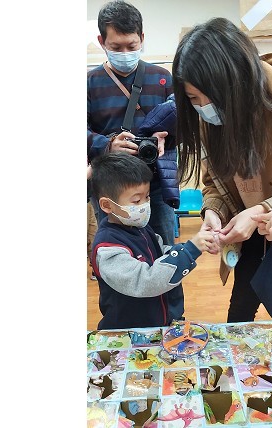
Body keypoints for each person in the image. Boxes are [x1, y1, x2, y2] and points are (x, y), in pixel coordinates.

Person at [172, 17, 272, 322]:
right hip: (250, 236)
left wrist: (261, 210)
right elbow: (214, 182)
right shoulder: (209, 121)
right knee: (239, 313)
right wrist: (214, 212)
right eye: (193, 98)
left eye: (213, 96)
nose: (205, 107)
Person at [87, 0, 185, 320]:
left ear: (142, 38)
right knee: (118, 254)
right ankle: (121, 317)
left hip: (154, 187)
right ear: (101, 41)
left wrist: (165, 138)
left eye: (132, 45)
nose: (125, 52)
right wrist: (108, 144)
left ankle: (172, 315)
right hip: (112, 191)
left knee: (164, 250)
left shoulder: (162, 78)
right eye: (116, 47)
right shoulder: (88, 83)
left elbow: (183, 126)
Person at [89, 153, 214, 329]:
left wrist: (193, 246)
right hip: (130, 331)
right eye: (136, 200)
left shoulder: (139, 226)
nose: (145, 204)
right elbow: (146, 281)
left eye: (147, 197)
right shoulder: (108, 248)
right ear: (107, 205)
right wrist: (190, 251)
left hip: (160, 322)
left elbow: (162, 250)